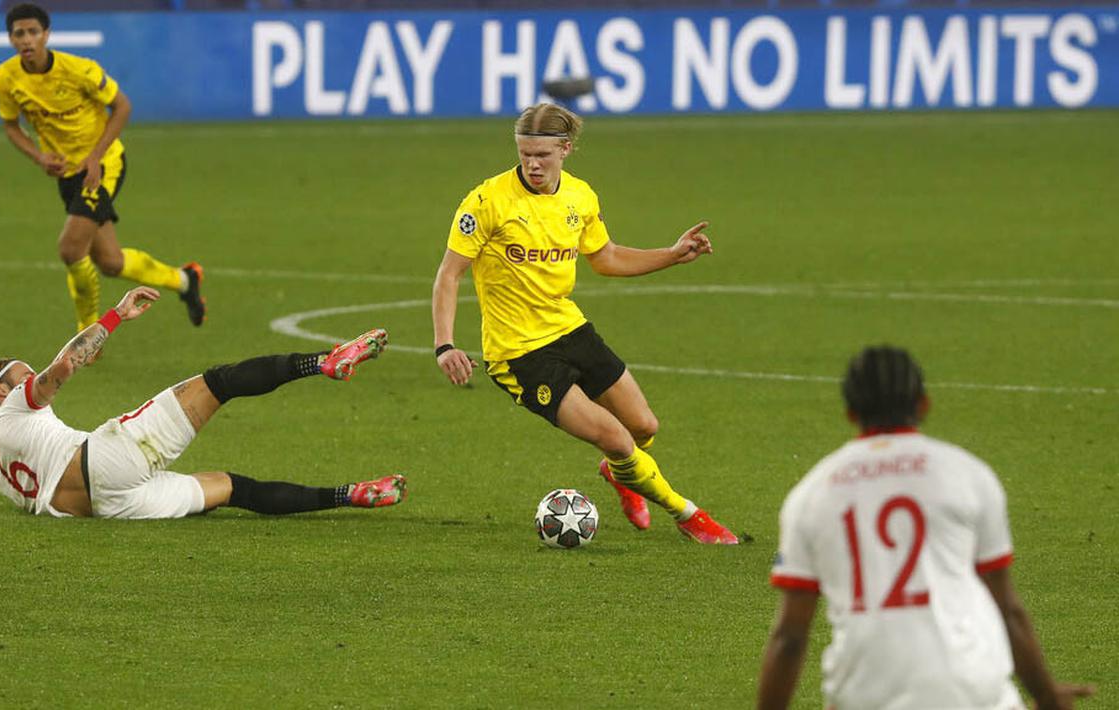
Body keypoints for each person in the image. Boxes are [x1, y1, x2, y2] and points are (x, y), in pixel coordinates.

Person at [431, 102, 736, 544]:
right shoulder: (487, 202)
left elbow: (606, 257)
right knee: (615, 437)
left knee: (643, 428)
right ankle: (688, 514)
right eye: (525, 154)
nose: (533, 165)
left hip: (569, 328)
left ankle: (620, 475)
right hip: (519, 354)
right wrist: (445, 344)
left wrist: (671, 255)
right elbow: (449, 273)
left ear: (566, 149)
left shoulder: (580, 197)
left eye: (543, 155)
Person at [757, 346, 1096, 709]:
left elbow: (790, 637)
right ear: (924, 404)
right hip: (969, 688)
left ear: (851, 412)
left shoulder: (812, 493)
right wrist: (1046, 694)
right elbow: (1008, 608)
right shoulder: (966, 474)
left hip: (864, 692)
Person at [0, 286, 405, 519]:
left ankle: (351, 495)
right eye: (22, 376)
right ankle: (324, 363)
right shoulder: (15, 407)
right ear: (4, 392)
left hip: (107, 507)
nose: (32, 379)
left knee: (233, 488)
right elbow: (65, 365)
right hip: (105, 461)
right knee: (220, 382)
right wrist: (116, 314)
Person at [0, 3, 206, 335]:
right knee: (110, 261)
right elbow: (10, 126)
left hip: (102, 165)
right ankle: (183, 280)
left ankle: (88, 331)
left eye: (33, 31)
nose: (27, 39)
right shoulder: (6, 78)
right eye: (19, 33)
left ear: (46, 34)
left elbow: (122, 106)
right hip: (66, 174)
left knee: (70, 248)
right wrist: (38, 157)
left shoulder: (79, 70)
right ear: (10, 38)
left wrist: (95, 156)